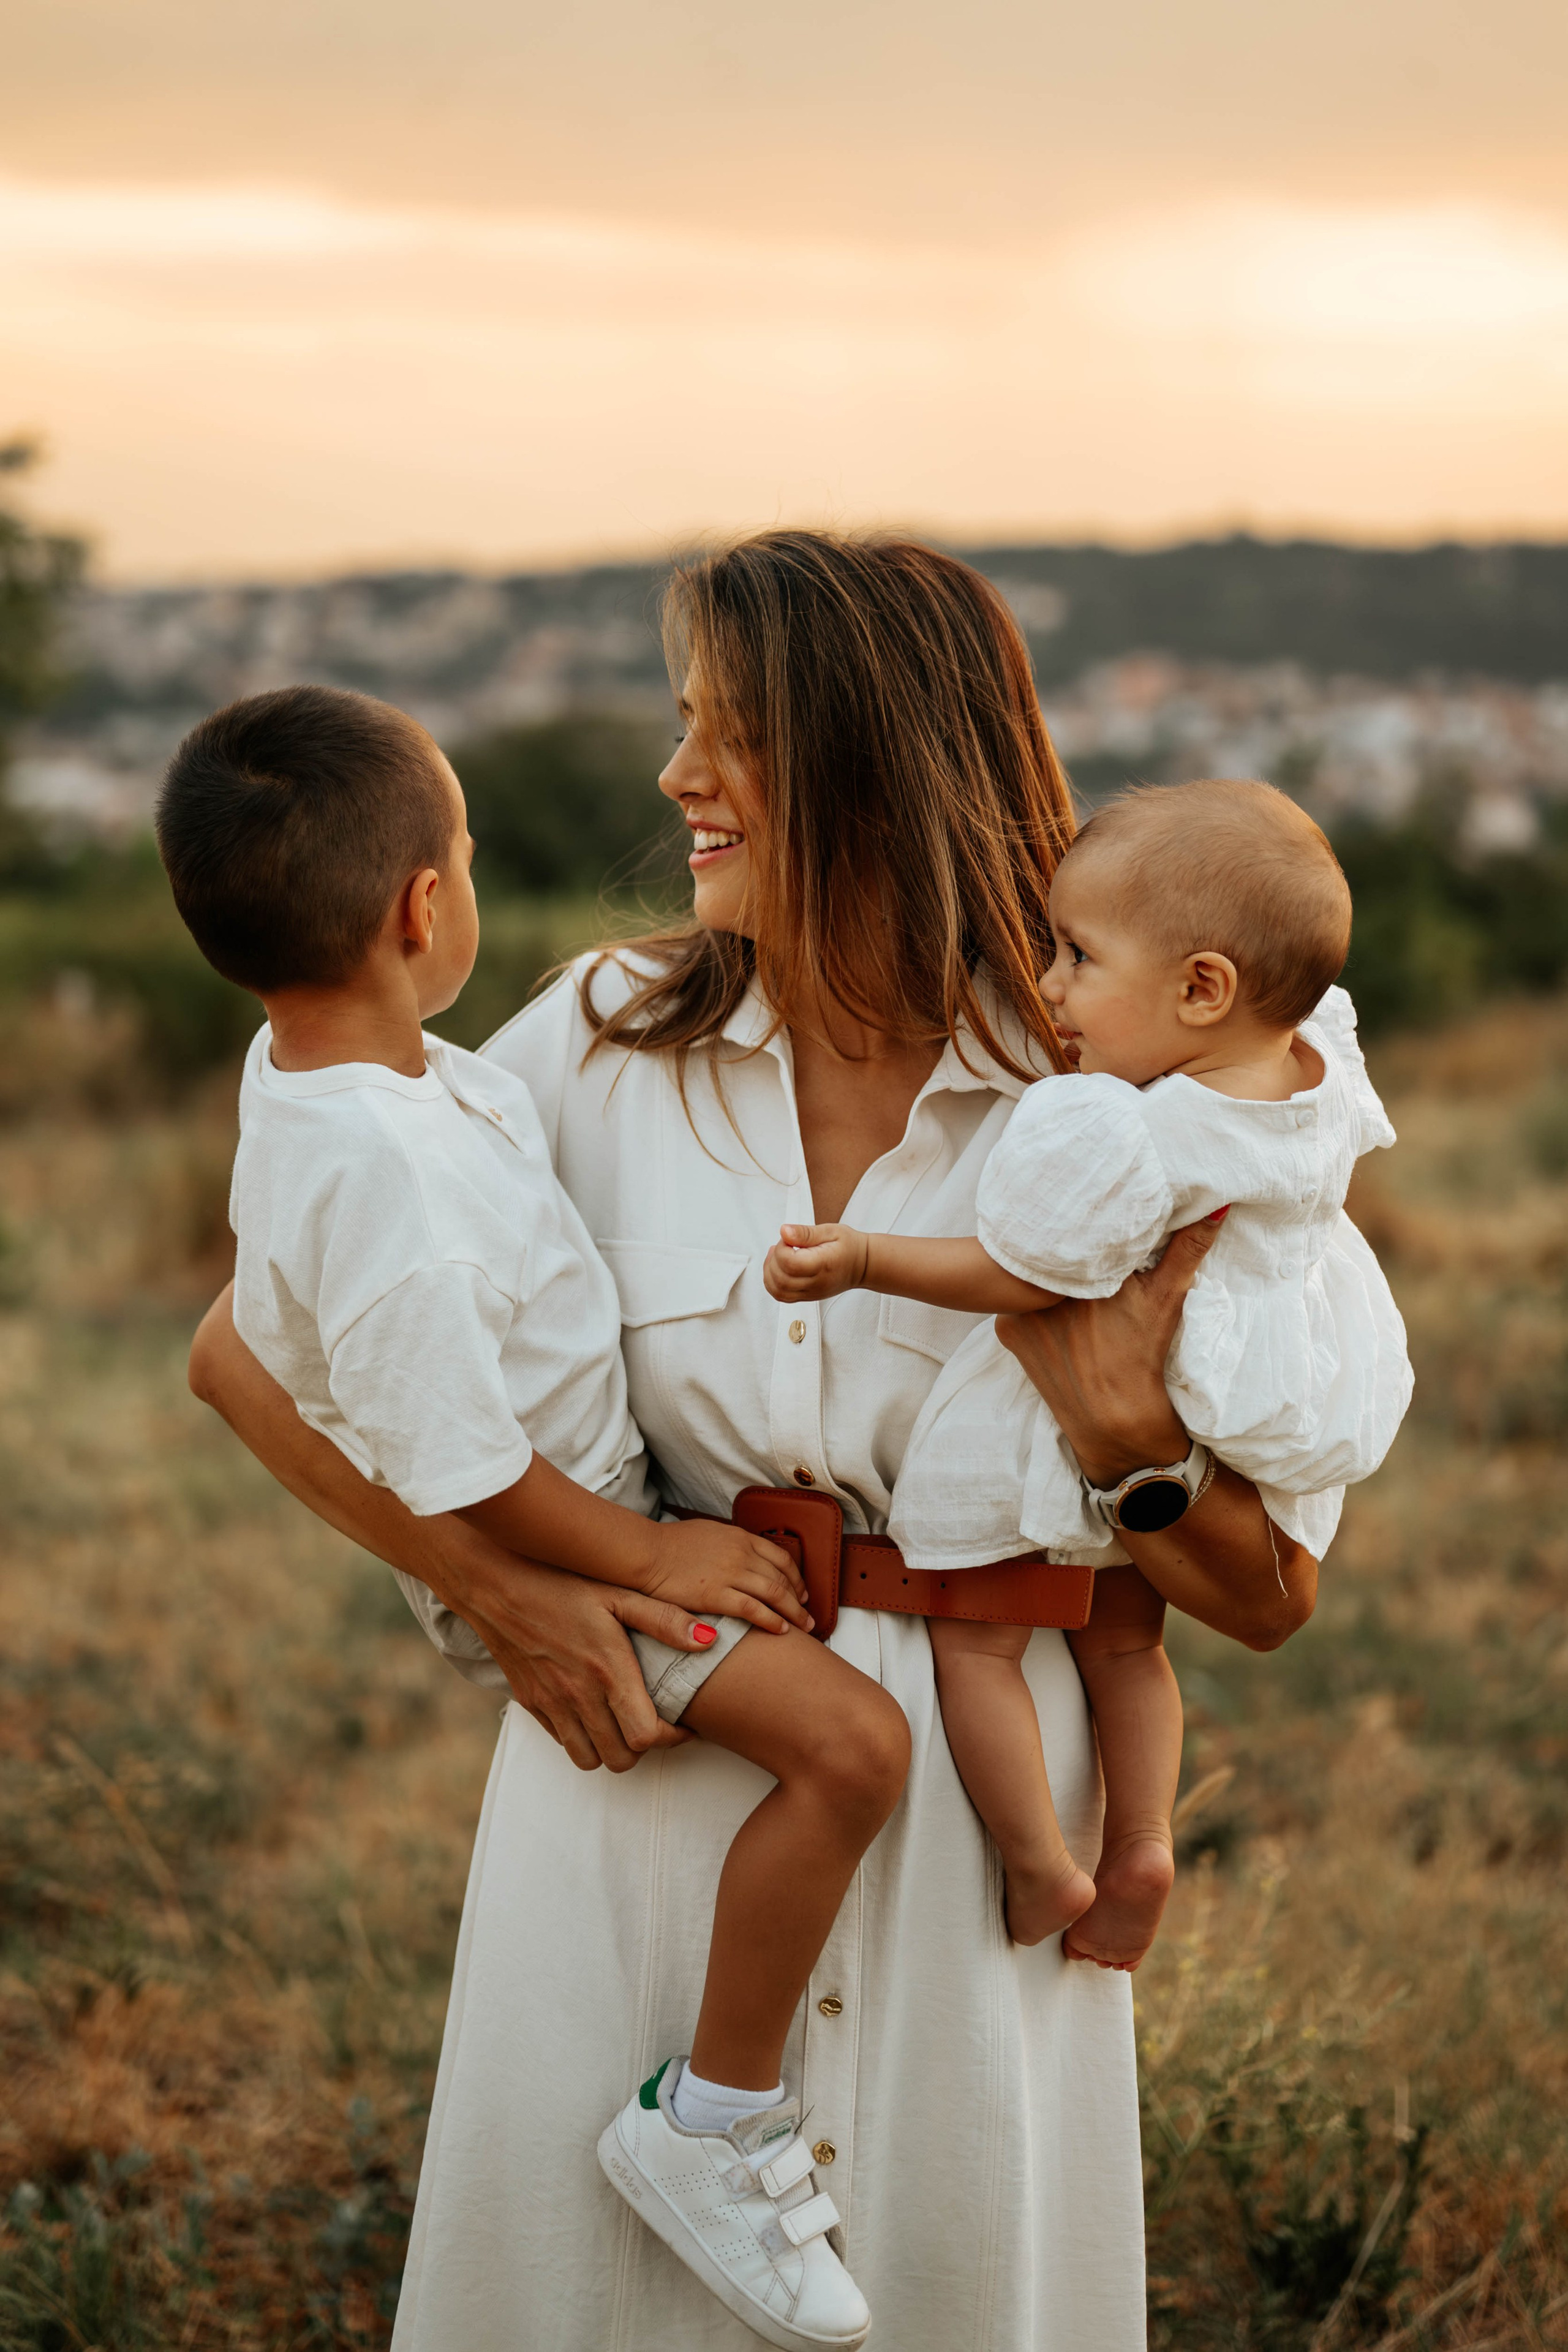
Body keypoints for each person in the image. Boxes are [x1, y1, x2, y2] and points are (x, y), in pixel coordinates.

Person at [187, 531, 1323, 2352]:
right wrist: (506, 1593)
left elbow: (1271, 1598)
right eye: (683, 725)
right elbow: (247, 1347)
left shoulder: (1125, 1118)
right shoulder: (588, 1045)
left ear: (869, 759)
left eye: (730, 734)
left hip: (982, 1824)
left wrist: (1123, 1430)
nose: (676, 778)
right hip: (642, 1780)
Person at [156, 680, 910, 2349]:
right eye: (472, 857)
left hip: (590, 1532)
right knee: (855, 1749)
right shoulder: (391, 1175)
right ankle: (711, 2121)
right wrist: (638, 1555)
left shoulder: (391, 1089)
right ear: (427, 906)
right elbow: (462, 1468)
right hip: (581, 1559)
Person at [764, 779, 1412, 1970]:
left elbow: (1023, 1271)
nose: (1049, 985)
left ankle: (1037, 1865)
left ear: (1200, 988)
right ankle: (1146, 1841)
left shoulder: (1127, 1129)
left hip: (1108, 1391)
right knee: (1125, 1645)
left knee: (977, 1641)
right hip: (1266, 1379)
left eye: (1075, 956)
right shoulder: (1313, 1061)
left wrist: (863, 1256)